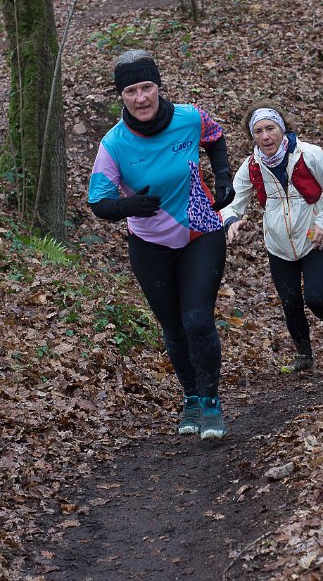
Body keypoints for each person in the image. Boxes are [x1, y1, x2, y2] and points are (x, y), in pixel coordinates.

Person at [88, 49, 235, 439]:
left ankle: (211, 403)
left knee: (197, 320)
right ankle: (191, 398)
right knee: (173, 328)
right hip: (149, 244)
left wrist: (223, 175)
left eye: (147, 87)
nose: (141, 98)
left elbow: (215, 137)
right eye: (131, 91)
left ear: (158, 86)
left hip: (201, 232)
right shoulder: (113, 144)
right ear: (121, 95)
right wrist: (127, 206)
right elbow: (98, 202)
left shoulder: (189, 117)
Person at [221, 103, 323, 372]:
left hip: (314, 237)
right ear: (252, 136)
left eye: (270, 128)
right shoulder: (252, 166)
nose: (265, 136)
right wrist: (231, 220)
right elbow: (232, 202)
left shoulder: (309, 154)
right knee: (290, 302)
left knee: (315, 298)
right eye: (258, 131)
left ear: (282, 128)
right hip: (278, 244)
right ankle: (304, 356)